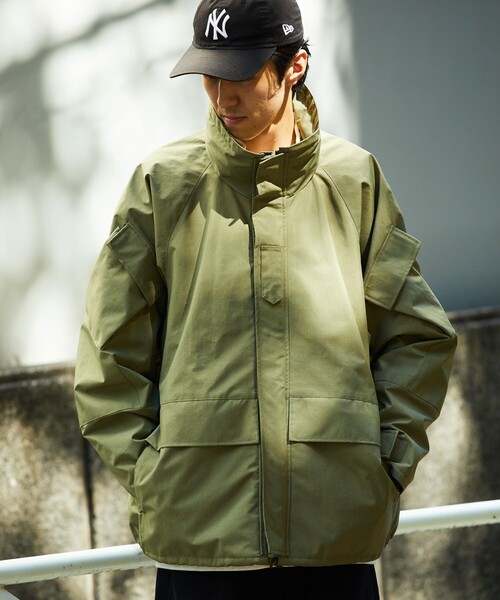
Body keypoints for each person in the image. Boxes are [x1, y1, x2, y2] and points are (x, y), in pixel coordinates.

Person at [74, 1, 457, 598]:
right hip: (202, 545)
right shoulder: (162, 184)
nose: (221, 95)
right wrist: (155, 478)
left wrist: (381, 466)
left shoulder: (354, 179)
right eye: (209, 74)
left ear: (294, 66)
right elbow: (108, 356)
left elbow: (418, 336)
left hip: (334, 540)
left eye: (241, 74)